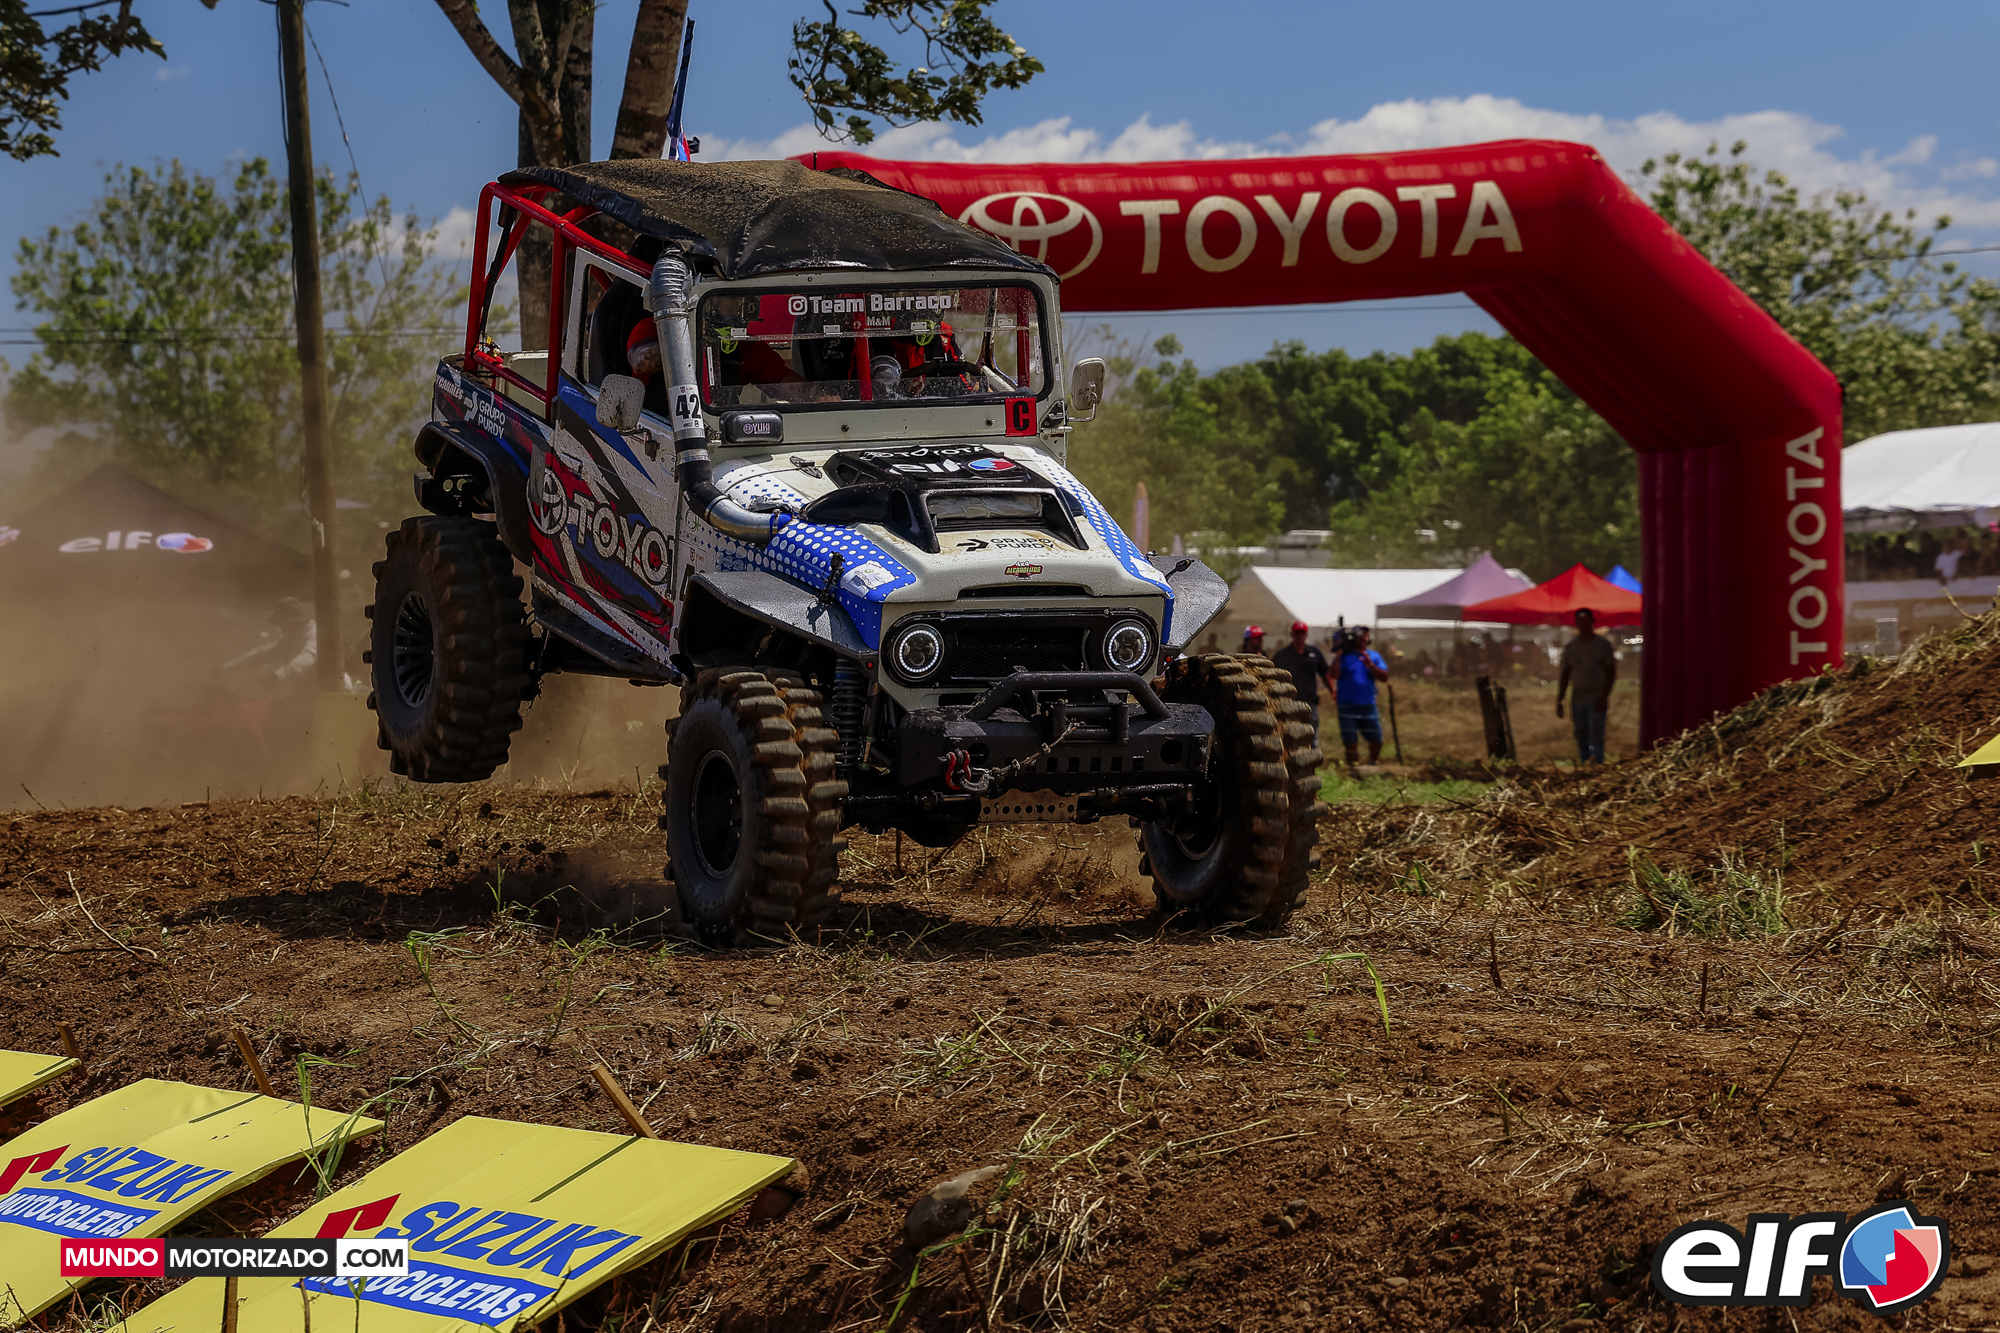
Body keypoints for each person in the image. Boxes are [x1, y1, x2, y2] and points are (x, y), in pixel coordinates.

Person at [1556, 606, 1617, 764]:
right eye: (1580, 622)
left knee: (1596, 737)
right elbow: (1565, 674)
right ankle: (1585, 765)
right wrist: (1560, 699)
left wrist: (1604, 695)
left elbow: (1611, 672)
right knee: (1581, 735)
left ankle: (1597, 765)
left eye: (1586, 621)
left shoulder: (1602, 646)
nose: (1583, 625)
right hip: (1577, 699)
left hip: (1596, 698)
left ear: (1592, 622)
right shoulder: (1571, 647)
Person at [1333, 626, 1389, 769]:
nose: (1364, 640)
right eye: (1361, 637)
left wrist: (1371, 666)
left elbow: (1384, 677)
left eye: (1366, 637)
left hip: (1368, 705)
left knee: (1376, 738)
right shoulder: (1344, 656)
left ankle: (1373, 763)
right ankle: (1352, 768)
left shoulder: (1374, 656)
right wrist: (1339, 654)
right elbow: (1333, 674)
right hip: (1346, 705)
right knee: (1350, 740)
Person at [1269, 619, 1333, 740]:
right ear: (1292, 634)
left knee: (1311, 735)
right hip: (1289, 702)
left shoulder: (1314, 653)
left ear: (1306, 635)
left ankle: (1312, 752)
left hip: (1310, 702)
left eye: (1302, 633)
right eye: (1297, 633)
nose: (1299, 636)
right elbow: (1273, 675)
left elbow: (1324, 672)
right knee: (1289, 734)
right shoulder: (1283, 655)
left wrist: (1332, 691)